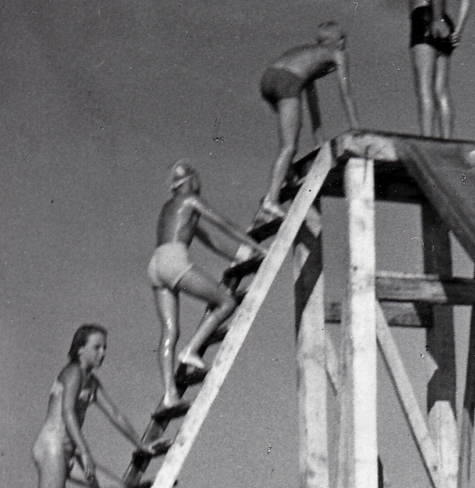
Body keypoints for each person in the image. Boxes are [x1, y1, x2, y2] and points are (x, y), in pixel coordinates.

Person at [32, 324, 162, 488]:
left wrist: (141, 444)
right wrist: (85, 451)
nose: (103, 353)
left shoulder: (91, 382)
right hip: (52, 447)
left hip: (69, 452)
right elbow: (67, 413)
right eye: (97, 347)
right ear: (80, 349)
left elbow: (114, 414)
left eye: (105, 348)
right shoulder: (72, 373)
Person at [149, 162, 263, 411]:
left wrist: (238, 255)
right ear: (191, 180)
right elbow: (223, 224)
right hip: (173, 261)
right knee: (227, 302)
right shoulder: (190, 199)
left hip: (156, 264)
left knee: (169, 331)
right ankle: (191, 350)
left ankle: (170, 394)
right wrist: (256, 247)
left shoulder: (171, 207)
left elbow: (210, 241)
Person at [256, 21, 358, 224]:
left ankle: (287, 174)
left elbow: (312, 101)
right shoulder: (337, 54)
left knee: (291, 136)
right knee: (289, 146)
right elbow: (345, 94)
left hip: (269, 78)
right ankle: (271, 202)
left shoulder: (308, 54)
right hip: (287, 81)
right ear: (341, 41)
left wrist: (318, 139)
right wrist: (356, 128)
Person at [384, 0, 470, 138]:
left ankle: (427, 140)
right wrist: (457, 29)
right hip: (444, 23)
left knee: (424, 86)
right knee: (441, 89)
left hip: (426, 18)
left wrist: (437, 17)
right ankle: (447, 140)